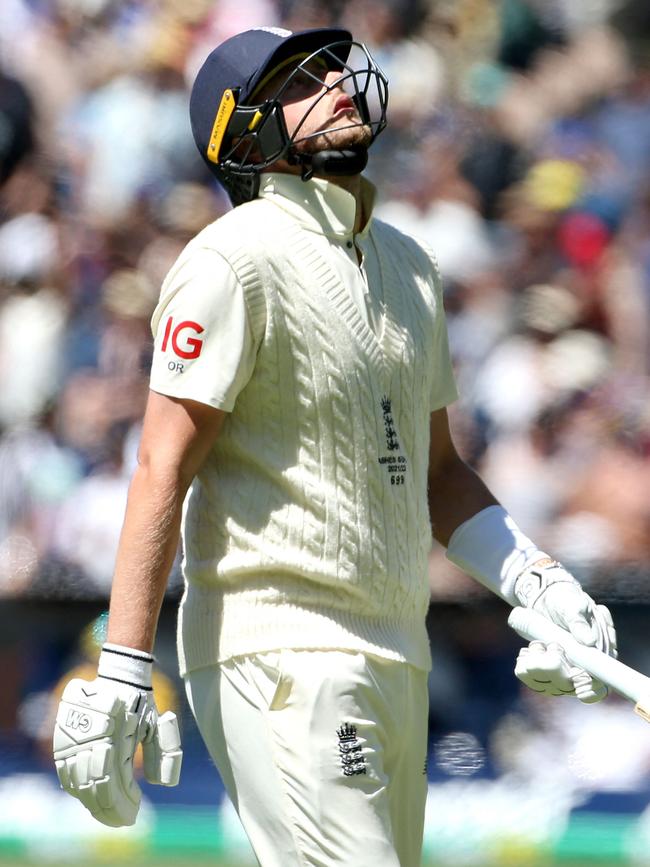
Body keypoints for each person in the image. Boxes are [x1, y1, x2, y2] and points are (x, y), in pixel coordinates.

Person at [52, 26, 617, 867]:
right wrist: (125, 669)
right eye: (297, 81)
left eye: (330, 68)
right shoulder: (230, 262)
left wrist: (534, 577)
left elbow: (437, 474)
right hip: (280, 647)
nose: (336, 84)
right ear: (243, 131)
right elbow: (161, 465)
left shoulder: (410, 265)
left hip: (397, 650)